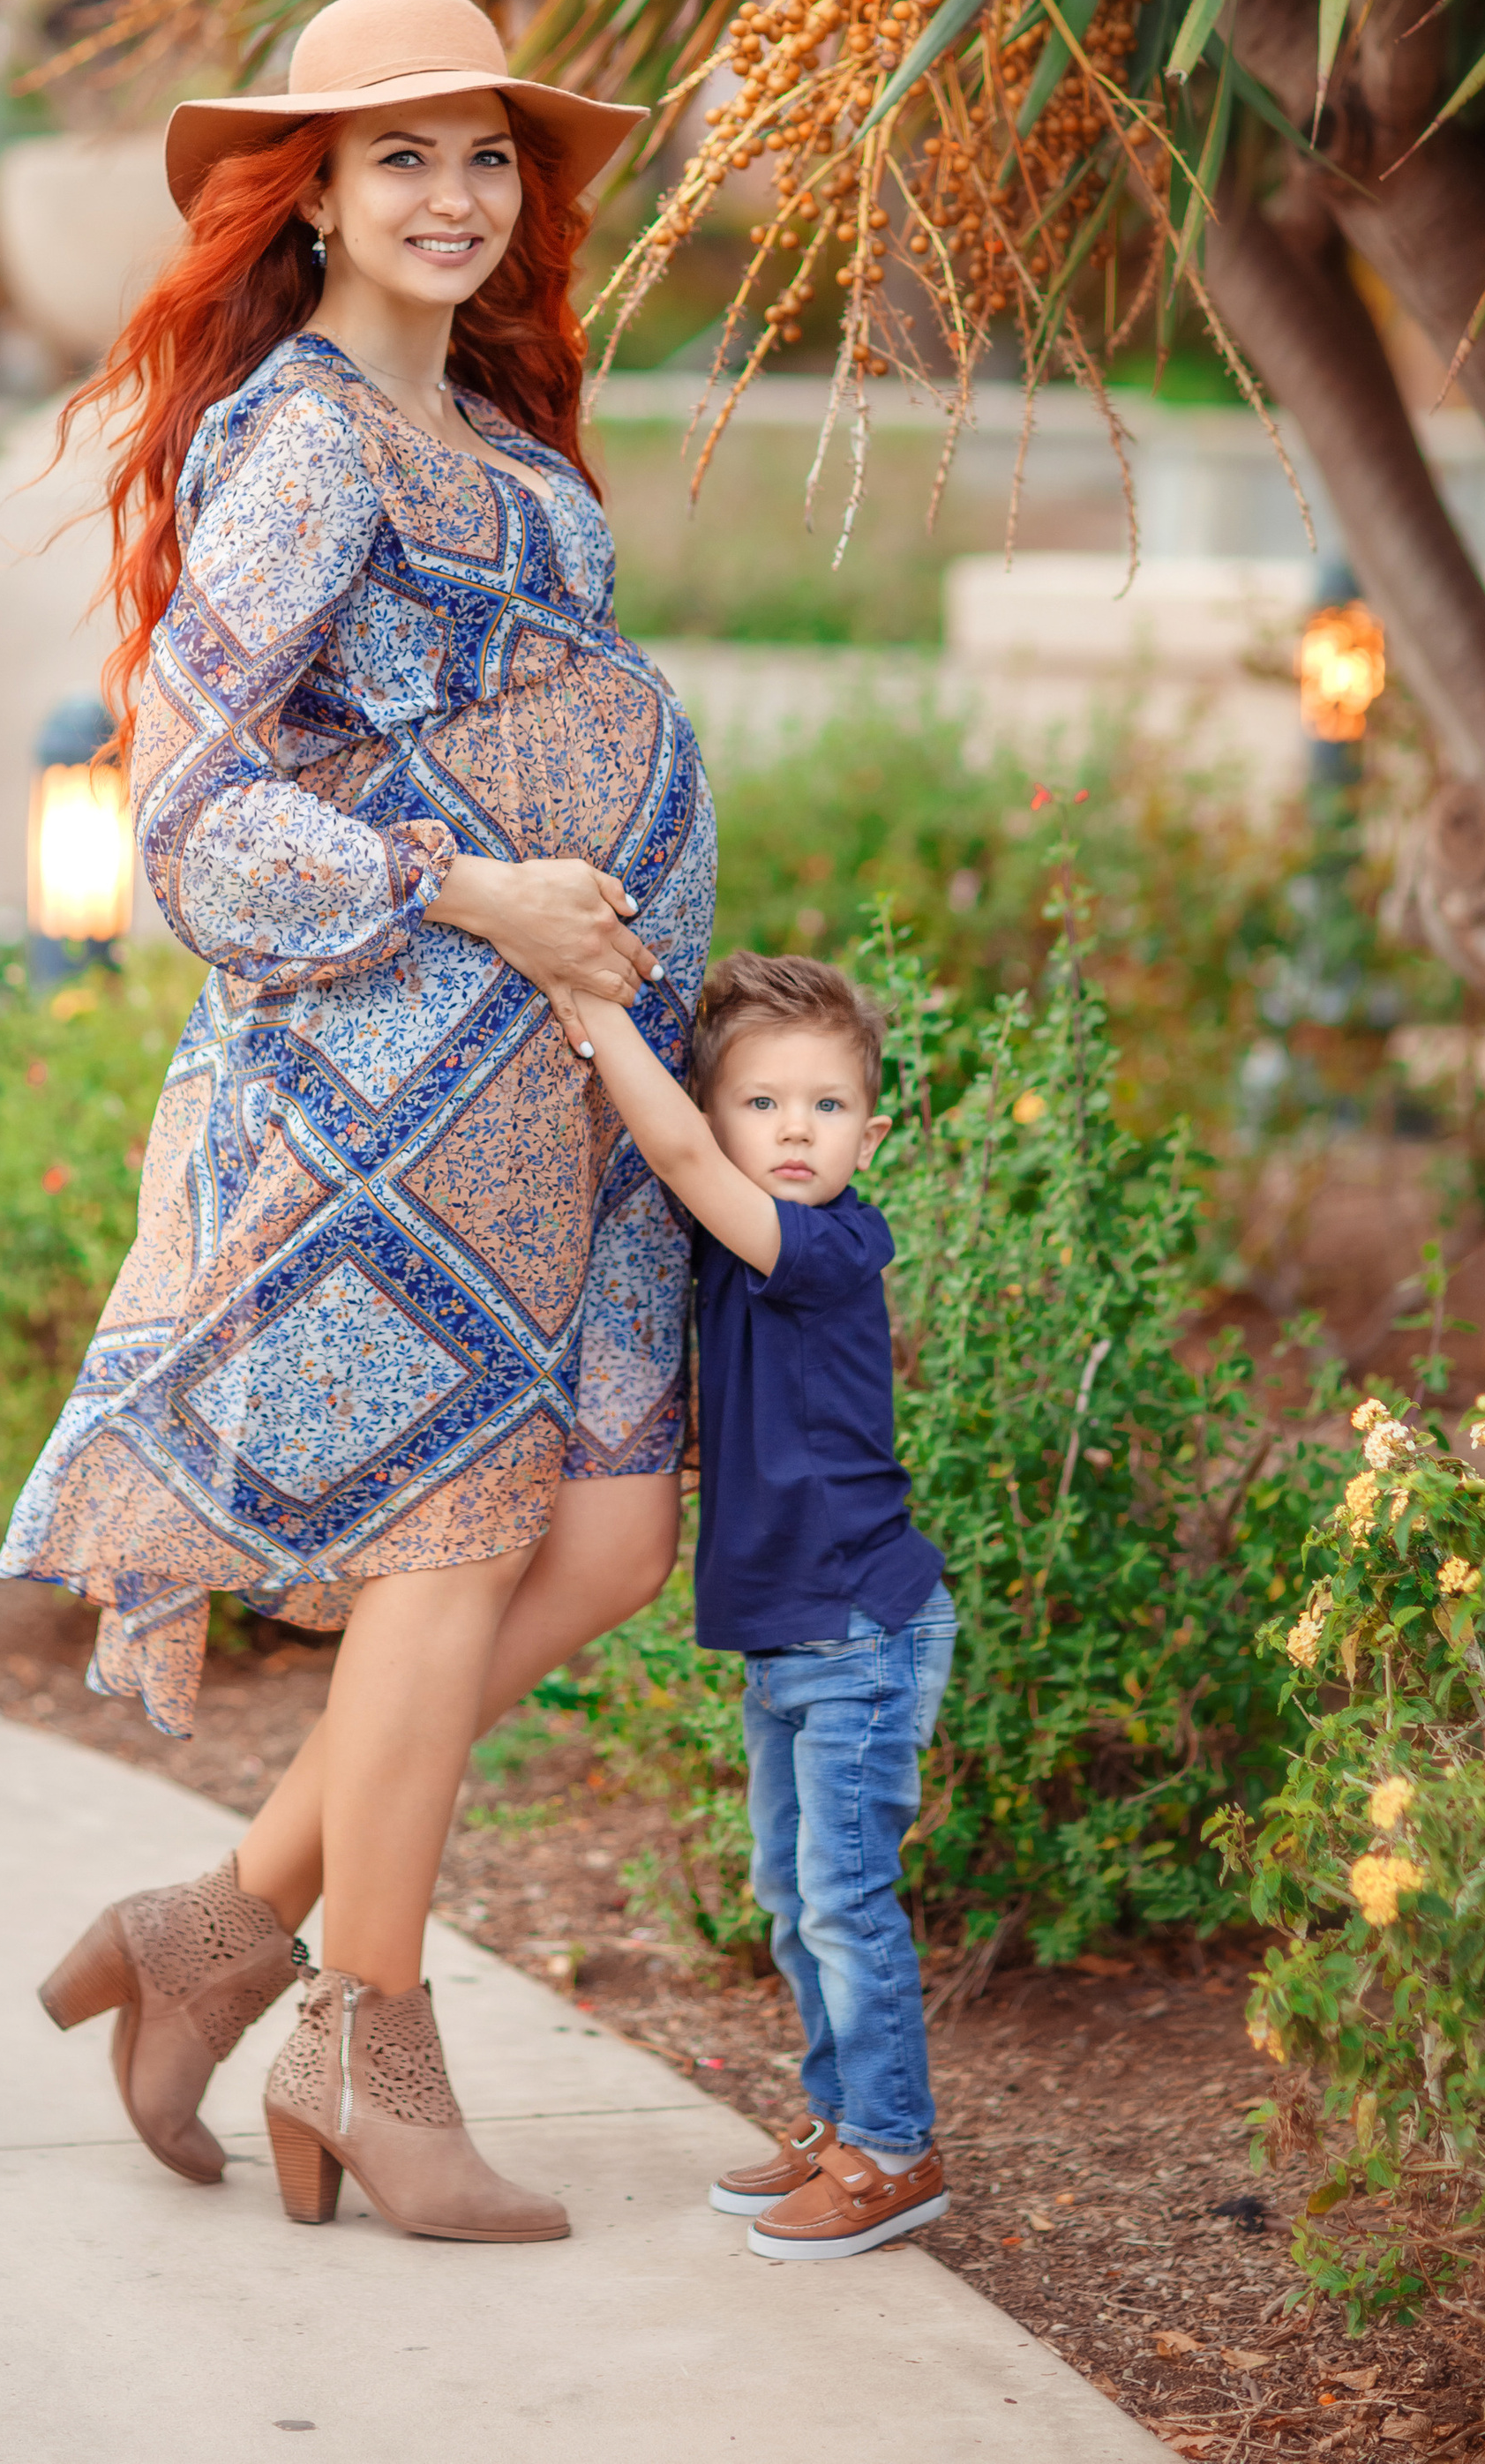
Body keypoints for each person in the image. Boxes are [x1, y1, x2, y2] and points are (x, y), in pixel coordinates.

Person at [2, 0, 716, 2245]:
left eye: (484, 154)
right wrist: (476, 888)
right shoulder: (305, 438)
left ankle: (219, 1924)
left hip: (580, 1074)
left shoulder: (493, 431)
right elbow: (195, 810)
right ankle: (366, 2047)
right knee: (448, 1544)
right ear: (304, 190)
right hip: (399, 1080)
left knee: (603, 1543)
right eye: (398, 154)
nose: (451, 194)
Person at [562, 948, 956, 2263]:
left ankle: (896, 2152)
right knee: (794, 1897)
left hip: (856, 1625)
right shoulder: (743, 1252)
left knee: (846, 1896)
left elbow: (676, 1156)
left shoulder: (831, 1244)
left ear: (872, 1131)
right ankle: (842, 2124)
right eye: (763, 1105)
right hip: (795, 1635)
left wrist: (588, 1005)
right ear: (725, 1109)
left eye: (828, 1106)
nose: (796, 1130)